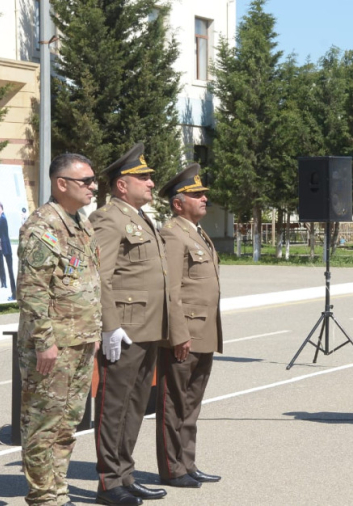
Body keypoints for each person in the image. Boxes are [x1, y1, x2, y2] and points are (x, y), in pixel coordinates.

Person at [16, 153, 101, 506]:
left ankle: (58, 492)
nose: (93, 187)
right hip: (53, 346)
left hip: (79, 340)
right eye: (86, 181)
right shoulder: (42, 227)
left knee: (67, 424)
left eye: (94, 180)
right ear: (61, 183)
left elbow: (85, 281)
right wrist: (43, 342)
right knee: (43, 424)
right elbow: (32, 291)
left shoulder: (80, 223)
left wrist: (94, 333)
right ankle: (42, 497)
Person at [90, 143, 170, 506]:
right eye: (144, 177)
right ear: (122, 185)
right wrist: (109, 326)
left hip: (147, 328)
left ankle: (125, 474)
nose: (152, 182)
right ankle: (109, 483)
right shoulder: (109, 219)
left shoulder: (140, 218)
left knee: (136, 406)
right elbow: (100, 277)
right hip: (124, 330)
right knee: (115, 407)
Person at [155, 165, 222, 489]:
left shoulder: (196, 232)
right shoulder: (172, 233)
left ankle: (187, 463)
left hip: (204, 333)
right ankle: (172, 468)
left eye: (203, 193)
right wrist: (178, 334)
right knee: (174, 404)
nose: (204, 198)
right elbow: (171, 290)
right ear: (178, 203)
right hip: (185, 336)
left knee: (192, 404)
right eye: (196, 195)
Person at [0, 201, 17, 300]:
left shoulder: (2, 218)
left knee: (10, 272)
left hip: (6, 249)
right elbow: (0, 232)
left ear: (1, 208)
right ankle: (14, 294)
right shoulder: (2, 218)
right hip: (6, 248)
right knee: (10, 271)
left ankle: (14, 295)